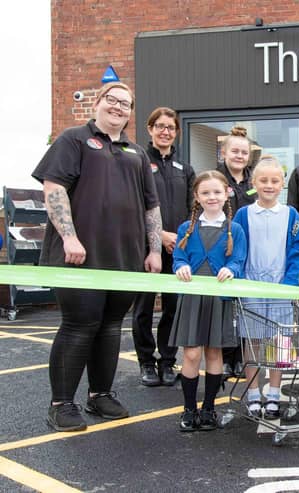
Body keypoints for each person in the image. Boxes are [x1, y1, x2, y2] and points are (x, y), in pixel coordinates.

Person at [32, 82, 163, 432]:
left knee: (109, 327)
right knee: (79, 325)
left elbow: (151, 206)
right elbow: (54, 187)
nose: (118, 107)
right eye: (112, 100)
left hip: (125, 260)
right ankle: (61, 404)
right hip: (79, 259)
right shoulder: (74, 139)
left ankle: (100, 395)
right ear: (99, 103)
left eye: (126, 103)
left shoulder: (136, 153)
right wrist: (69, 237)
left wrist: (153, 250)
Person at [169, 170, 247, 431]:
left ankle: (210, 408)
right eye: (205, 192)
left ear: (226, 193)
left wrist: (232, 269)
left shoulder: (234, 228)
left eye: (216, 192)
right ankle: (189, 408)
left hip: (218, 298)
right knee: (191, 354)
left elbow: (238, 259)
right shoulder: (186, 228)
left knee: (214, 353)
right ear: (196, 197)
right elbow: (179, 257)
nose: (211, 197)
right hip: (192, 297)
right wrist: (180, 266)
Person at [234, 156, 299, 419]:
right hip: (252, 285)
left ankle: (275, 393)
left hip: (280, 285)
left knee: (279, 342)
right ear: (254, 183)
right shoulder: (244, 214)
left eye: (275, 180)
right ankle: (254, 393)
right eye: (263, 180)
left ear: (282, 185)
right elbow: (236, 247)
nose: (269, 185)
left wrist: (289, 281)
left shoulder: (290, 214)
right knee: (254, 340)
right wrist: (240, 278)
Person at [132, 107, 195, 387]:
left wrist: (181, 238)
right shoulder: (138, 161)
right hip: (146, 247)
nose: (165, 131)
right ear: (150, 129)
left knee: (173, 308)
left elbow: (195, 209)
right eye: (159, 126)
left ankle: (168, 361)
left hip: (176, 250)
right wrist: (161, 235)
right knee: (143, 309)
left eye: (170, 127)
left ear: (176, 132)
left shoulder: (185, 168)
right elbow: (134, 207)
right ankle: (146, 361)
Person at [217, 126, 257, 379]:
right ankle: (225, 358)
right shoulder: (216, 179)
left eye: (244, 152)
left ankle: (241, 357)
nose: (240, 156)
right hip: (224, 249)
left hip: (249, 250)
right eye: (235, 151)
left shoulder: (254, 181)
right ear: (224, 153)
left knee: (244, 306)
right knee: (225, 307)